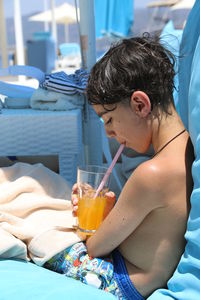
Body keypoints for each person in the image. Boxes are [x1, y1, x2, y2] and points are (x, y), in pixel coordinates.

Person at [45, 34, 194, 299]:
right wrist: (112, 213)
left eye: (109, 119)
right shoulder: (188, 149)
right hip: (137, 274)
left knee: (47, 239)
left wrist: (90, 223)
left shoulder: (151, 174)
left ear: (140, 104)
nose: (109, 133)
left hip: (121, 282)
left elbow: (95, 247)